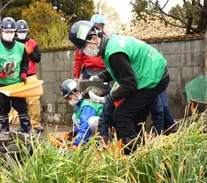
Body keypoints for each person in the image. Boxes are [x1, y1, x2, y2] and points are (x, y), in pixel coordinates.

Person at [69, 21, 169, 152]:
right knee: (134, 116)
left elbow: (129, 85)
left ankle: (134, 152)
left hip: (153, 78)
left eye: (84, 48)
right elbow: (117, 69)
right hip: (152, 73)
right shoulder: (110, 43)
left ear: (94, 38)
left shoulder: (114, 53)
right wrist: (99, 77)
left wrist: (105, 99)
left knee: (121, 115)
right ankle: (140, 149)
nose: (85, 52)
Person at [0, 17, 32, 133]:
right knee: (4, 108)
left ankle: (26, 131)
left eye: (11, 32)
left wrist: (23, 73)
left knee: (22, 108)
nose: (9, 34)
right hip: (1, 83)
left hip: (16, 83)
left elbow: (25, 63)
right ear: (1, 31)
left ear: (15, 32)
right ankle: (4, 132)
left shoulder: (21, 47)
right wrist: (0, 74)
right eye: (6, 32)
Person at [8, 19, 43, 133]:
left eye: (24, 31)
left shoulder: (33, 43)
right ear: (16, 32)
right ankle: (22, 124)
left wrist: (30, 53)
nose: (22, 33)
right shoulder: (12, 44)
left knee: (34, 101)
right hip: (17, 77)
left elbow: (38, 58)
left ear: (27, 31)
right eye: (20, 31)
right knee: (18, 102)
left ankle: (36, 123)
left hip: (31, 75)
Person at [60, 79, 103, 149]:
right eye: (67, 99)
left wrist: (76, 144)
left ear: (77, 93)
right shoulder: (81, 104)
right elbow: (82, 122)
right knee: (75, 117)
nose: (69, 101)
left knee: (91, 122)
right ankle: (86, 142)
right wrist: (75, 130)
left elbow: (86, 126)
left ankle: (98, 142)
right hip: (98, 126)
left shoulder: (87, 104)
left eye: (69, 98)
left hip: (107, 128)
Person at [73, 14, 106, 81]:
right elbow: (78, 59)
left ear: (103, 26)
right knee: (87, 91)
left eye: (100, 25)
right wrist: (76, 76)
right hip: (88, 71)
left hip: (103, 71)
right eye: (95, 25)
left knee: (105, 91)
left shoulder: (106, 39)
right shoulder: (84, 39)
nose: (98, 27)